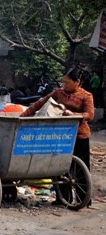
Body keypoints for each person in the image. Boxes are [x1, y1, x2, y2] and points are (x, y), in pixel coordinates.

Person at [21, 67, 94, 204]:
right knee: (59, 167)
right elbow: (39, 104)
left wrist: (75, 115)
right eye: (63, 82)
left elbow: (90, 115)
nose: (64, 85)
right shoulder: (58, 93)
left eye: (67, 82)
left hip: (79, 136)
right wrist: (21, 118)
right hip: (60, 136)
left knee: (81, 169)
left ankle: (83, 198)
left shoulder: (86, 96)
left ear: (77, 81)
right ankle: (63, 198)